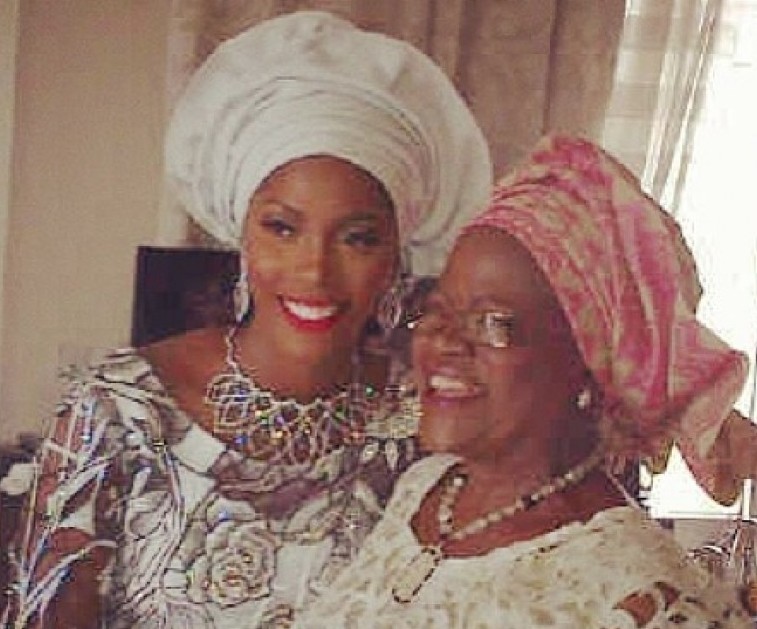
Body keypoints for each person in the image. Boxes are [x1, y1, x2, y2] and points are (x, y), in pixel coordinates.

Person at [2, 11, 491, 628]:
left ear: (398, 253)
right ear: (242, 234)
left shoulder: (424, 424)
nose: (314, 270)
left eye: (358, 237)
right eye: (282, 228)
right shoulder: (119, 411)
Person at [294, 135, 752, 628]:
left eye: (493, 321)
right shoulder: (428, 488)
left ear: (585, 359)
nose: (445, 341)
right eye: (438, 310)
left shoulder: (639, 593)